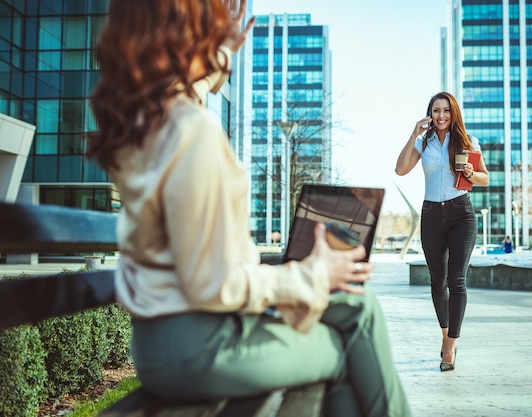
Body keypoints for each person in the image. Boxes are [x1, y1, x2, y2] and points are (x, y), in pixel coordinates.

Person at [87, 1, 411, 416]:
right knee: (347, 342)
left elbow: (189, 89)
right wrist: (312, 273)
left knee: (356, 309)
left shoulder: (148, 123)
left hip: (161, 343)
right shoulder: (192, 132)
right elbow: (214, 285)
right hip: (202, 347)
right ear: (190, 32)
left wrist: (217, 52)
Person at [395, 92, 489, 372]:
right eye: (436, 111)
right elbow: (400, 169)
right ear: (430, 114)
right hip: (432, 214)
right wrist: (413, 133)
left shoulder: (467, 141)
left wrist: (471, 172)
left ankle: (450, 345)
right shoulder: (424, 142)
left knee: (457, 280)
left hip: (461, 212)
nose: (441, 116)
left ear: (453, 113)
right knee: (438, 281)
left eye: (446, 110)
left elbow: (485, 178)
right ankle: (445, 332)